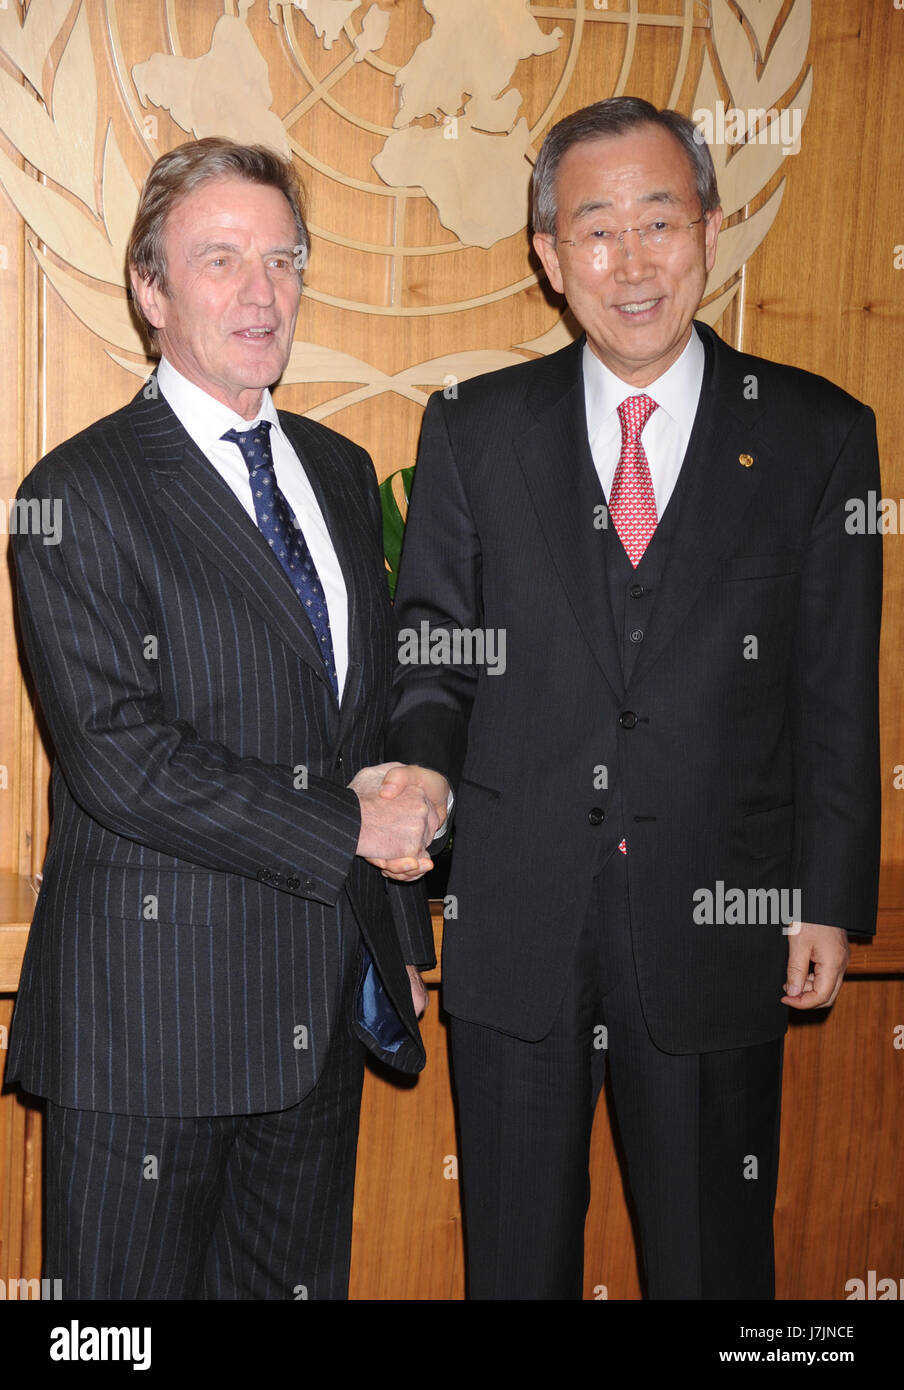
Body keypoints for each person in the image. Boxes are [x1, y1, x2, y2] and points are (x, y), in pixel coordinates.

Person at [379, 97, 882, 1299]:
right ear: (550, 258)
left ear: (710, 228)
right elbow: (436, 648)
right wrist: (422, 770)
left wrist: (824, 896)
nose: (632, 259)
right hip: (517, 922)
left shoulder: (816, 433)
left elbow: (833, 685)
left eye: (659, 219)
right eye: (594, 230)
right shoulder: (471, 429)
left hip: (720, 920)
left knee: (716, 1269)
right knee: (513, 1265)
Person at [8, 137, 446, 1300]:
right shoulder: (75, 492)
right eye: (219, 260)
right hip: (150, 1022)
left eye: (284, 260)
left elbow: (368, 717)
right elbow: (119, 757)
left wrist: (404, 892)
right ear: (151, 291)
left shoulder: (343, 471)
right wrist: (347, 830)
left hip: (316, 1015)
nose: (262, 292)